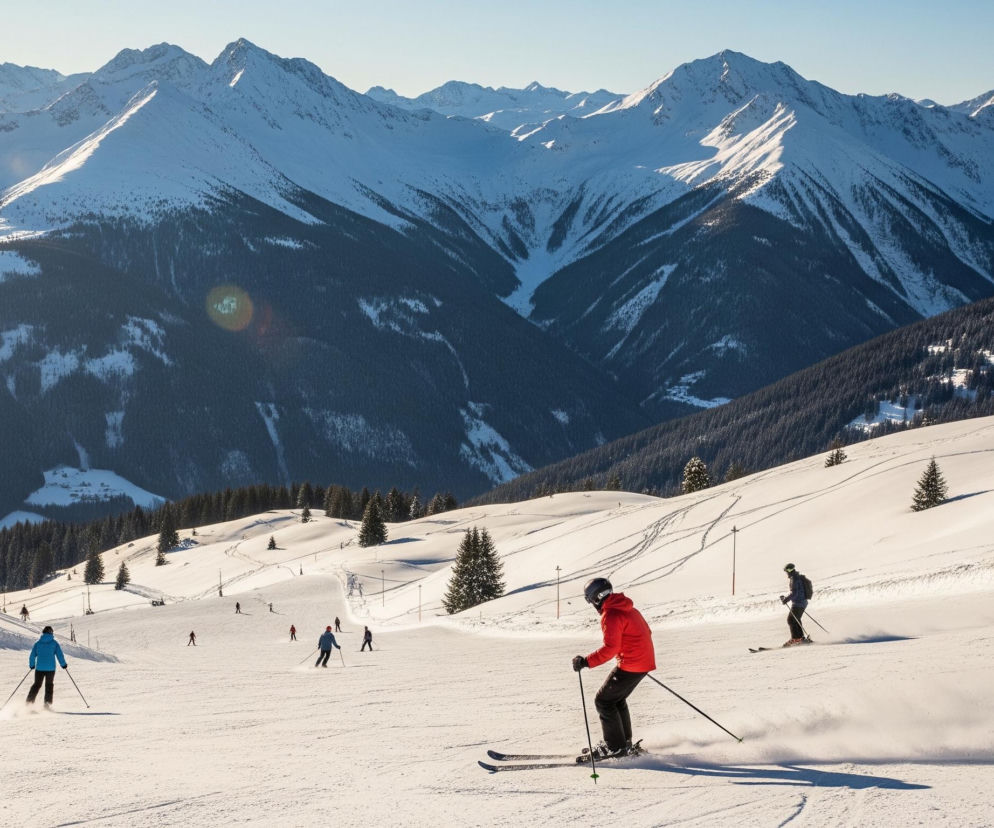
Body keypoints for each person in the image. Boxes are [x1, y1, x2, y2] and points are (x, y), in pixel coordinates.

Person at [572, 577, 655, 759]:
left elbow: (610, 648)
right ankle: (623, 743)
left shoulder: (610, 614)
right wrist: (636, 657)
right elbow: (645, 633)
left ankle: (615, 747)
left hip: (632, 664)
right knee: (616, 700)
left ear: (595, 599)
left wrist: (585, 661)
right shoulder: (628, 607)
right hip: (641, 662)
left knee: (603, 701)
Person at [26, 626, 67, 709]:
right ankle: (47, 704)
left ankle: (29, 703)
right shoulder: (54, 643)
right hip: (50, 669)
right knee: (49, 685)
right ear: (51, 632)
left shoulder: (37, 643)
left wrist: (32, 665)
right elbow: (60, 655)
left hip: (39, 668)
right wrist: (63, 664)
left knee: (36, 685)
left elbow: (32, 655)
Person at [780, 563, 809, 646]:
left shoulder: (794, 579)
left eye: (788, 570)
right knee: (796, 620)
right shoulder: (796, 577)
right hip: (802, 602)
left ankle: (795, 639)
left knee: (791, 620)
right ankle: (800, 638)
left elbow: (794, 593)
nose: (787, 572)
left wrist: (785, 600)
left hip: (798, 603)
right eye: (787, 570)